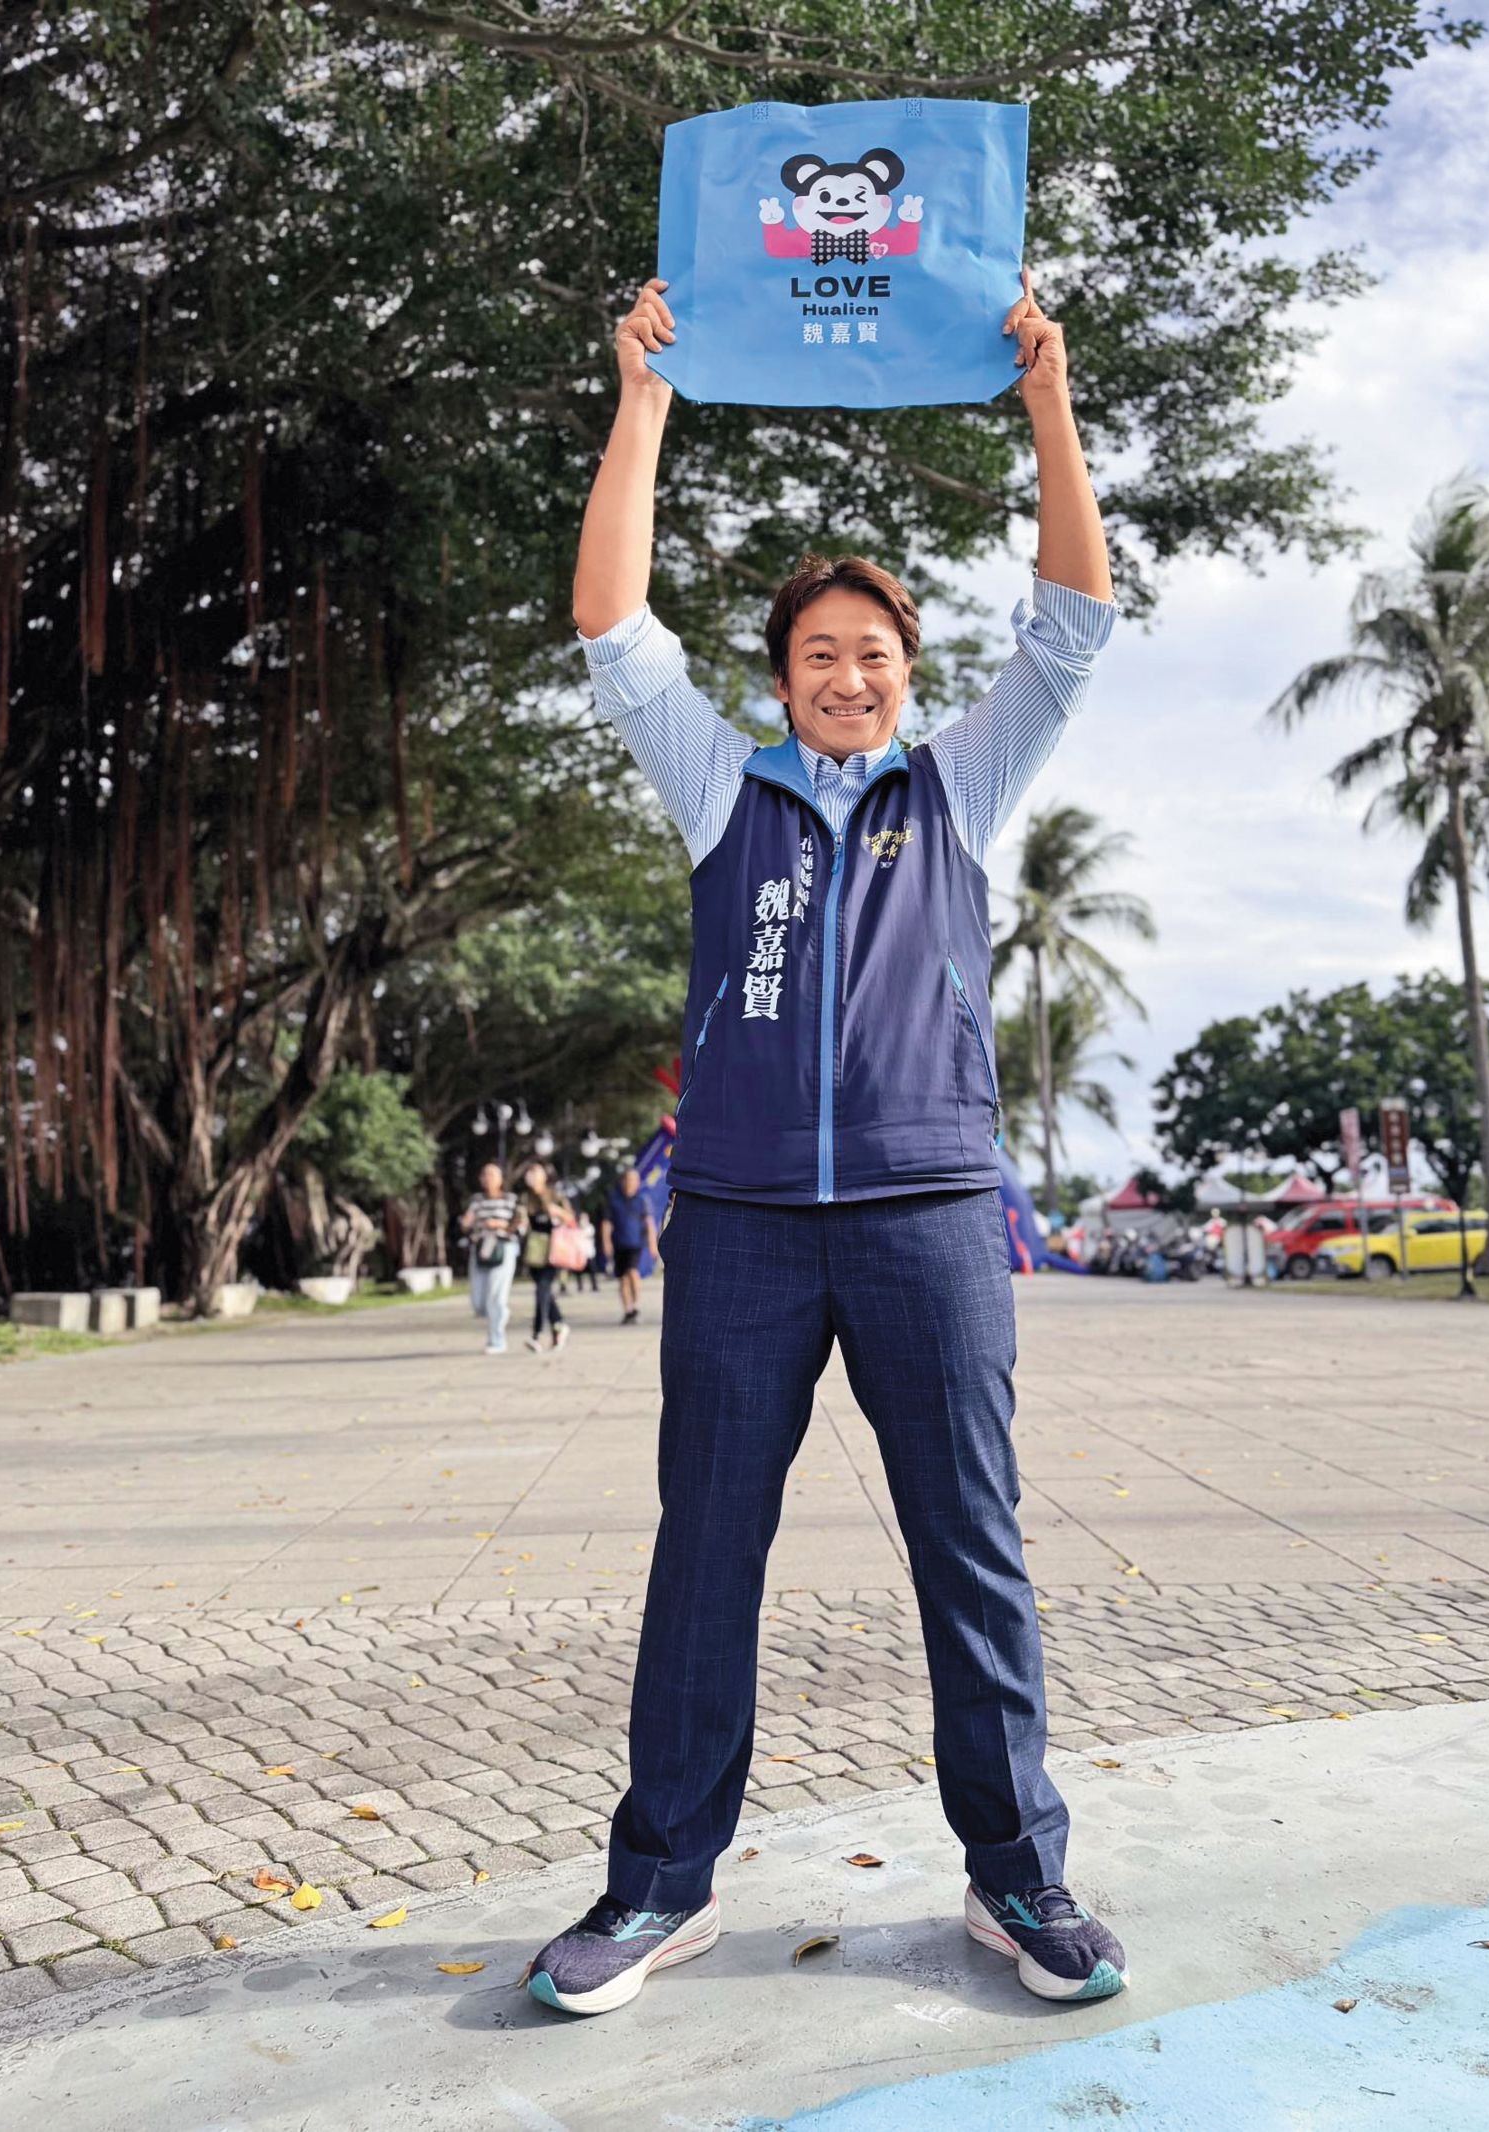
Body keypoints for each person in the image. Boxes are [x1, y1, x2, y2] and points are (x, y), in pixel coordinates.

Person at [527, 268, 1127, 2018]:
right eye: (818, 656)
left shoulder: (963, 783)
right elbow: (609, 628)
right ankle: (657, 1888)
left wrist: (1047, 401)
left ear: (906, 675)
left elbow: (1076, 623)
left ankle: (1020, 1879)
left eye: (873, 653)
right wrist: (642, 399)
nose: (847, 675)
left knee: (973, 1543)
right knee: (706, 1545)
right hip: (738, 1224)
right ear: (780, 682)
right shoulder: (724, 789)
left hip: (933, 1209)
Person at [458, 1162, 524, 1356]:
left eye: (493, 1175)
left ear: (501, 1179)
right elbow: (466, 1225)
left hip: (503, 1248)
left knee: (496, 1296)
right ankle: (500, 1313)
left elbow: (520, 1225)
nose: (488, 1179)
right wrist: (466, 1223)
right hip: (481, 1249)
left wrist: (500, 1224)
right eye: (485, 1175)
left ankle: (497, 1339)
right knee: (479, 1301)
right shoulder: (476, 1201)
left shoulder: (511, 1200)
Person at [522, 1162, 576, 1353]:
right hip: (534, 1250)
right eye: (530, 1173)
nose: (532, 1176)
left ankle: (536, 1334)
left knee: (542, 1290)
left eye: (536, 1172)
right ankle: (559, 1326)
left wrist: (557, 1211)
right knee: (543, 1291)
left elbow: (570, 1218)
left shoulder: (555, 1195)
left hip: (554, 1249)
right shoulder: (526, 1198)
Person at [602, 1168, 659, 1325]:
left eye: (634, 1180)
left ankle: (635, 1304)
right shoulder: (614, 1200)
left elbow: (649, 1224)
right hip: (619, 1243)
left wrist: (653, 1244)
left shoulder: (642, 1200)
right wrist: (606, 1243)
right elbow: (607, 1223)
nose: (630, 1183)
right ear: (622, 1182)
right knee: (622, 1279)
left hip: (636, 1244)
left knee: (633, 1273)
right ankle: (628, 1310)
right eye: (628, 1180)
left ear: (638, 1183)